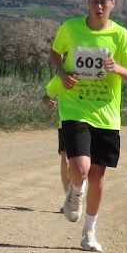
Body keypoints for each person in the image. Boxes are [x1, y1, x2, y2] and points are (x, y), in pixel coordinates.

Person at [49, 0, 127, 252]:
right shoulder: (71, 28)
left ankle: (89, 234)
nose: (98, 6)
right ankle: (75, 192)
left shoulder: (120, 35)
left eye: (103, 1)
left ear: (112, 4)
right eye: (93, 1)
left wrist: (118, 69)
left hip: (107, 114)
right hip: (75, 108)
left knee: (98, 177)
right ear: (87, 3)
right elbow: (55, 54)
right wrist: (63, 73)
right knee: (79, 167)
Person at [43, 75, 71, 206]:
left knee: (83, 162)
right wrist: (48, 102)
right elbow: (46, 97)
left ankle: (77, 190)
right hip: (65, 124)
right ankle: (68, 198)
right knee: (65, 157)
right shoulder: (60, 77)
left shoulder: (94, 74)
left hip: (91, 124)